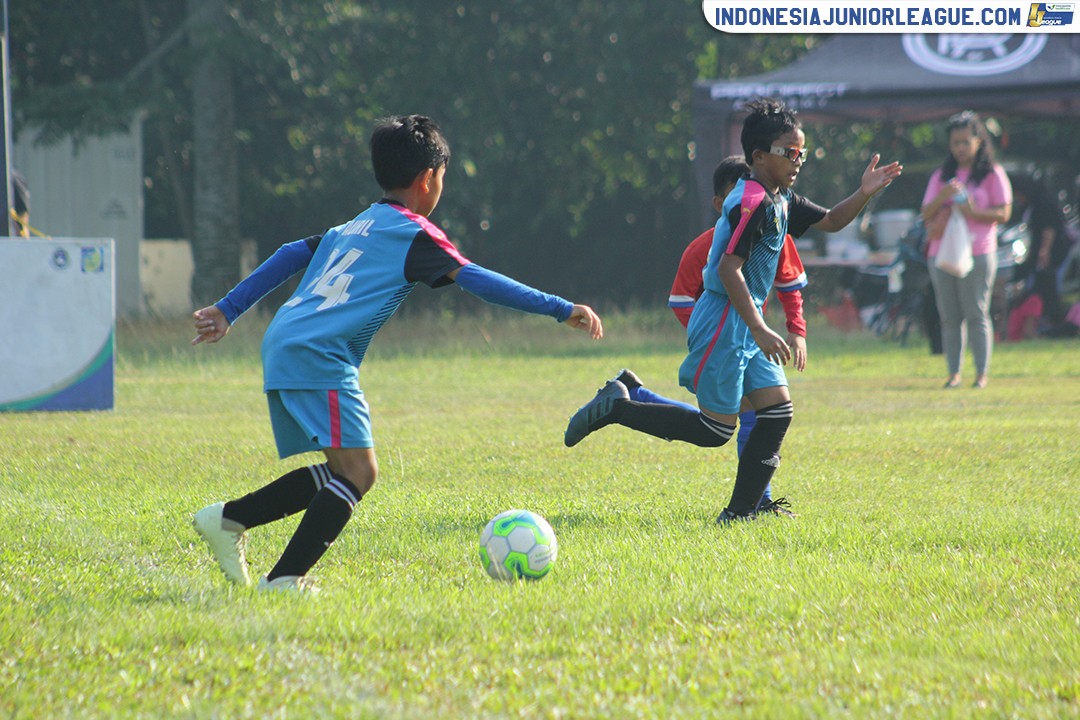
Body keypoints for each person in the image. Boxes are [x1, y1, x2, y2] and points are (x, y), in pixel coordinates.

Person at [190, 114, 603, 592]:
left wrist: (229, 308)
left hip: (288, 340)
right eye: (442, 177)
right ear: (427, 179)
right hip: (319, 352)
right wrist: (559, 307)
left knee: (342, 470)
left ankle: (229, 520)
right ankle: (283, 578)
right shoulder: (414, 233)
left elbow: (289, 252)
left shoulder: (357, 224)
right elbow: (478, 280)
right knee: (360, 472)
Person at [564, 97, 901, 523]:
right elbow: (728, 269)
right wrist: (759, 327)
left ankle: (741, 513)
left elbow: (833, 220)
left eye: (802, 153)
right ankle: (618, 407)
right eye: (789, 152)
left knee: (777, 411)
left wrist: (864, 192)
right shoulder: (754, 202)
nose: (797, 161)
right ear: (758, 156)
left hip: (744, 320)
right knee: (716, 430)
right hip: (725, 319)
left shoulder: (780, 197)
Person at [607, 155, 810, 516]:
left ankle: (751, 505)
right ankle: (624, 404)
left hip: (752, 337)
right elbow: (681, 300)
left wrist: (797, 329)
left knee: (770, 413)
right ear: (720, 204)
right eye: (737, 197)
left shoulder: (772, 222)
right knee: (720, 426)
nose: (747, 205)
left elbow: (790, 283)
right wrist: (713, 342)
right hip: (724, 338)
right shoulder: (705, 245)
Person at [920, 111, 1012, 389]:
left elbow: (1004, 213)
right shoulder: (942, 176)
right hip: (942, 253)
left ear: (978, 141)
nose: (960, 148)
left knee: (976, 312)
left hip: (979, 252)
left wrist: (974, 212)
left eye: (965, 142)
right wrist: (943, 196)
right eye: (955, 143)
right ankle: (954, 374)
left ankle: (981, 374)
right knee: (949, 316)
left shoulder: (991, 173)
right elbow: (925, 213)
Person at [1009, 173, 1072, 328]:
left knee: (1050, 282)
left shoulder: (1042, 204)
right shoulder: (1031, 205)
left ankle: (1053, 319)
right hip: (1037, 249)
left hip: (1054, 250)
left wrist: (1045, 249)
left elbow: (1049, 228)